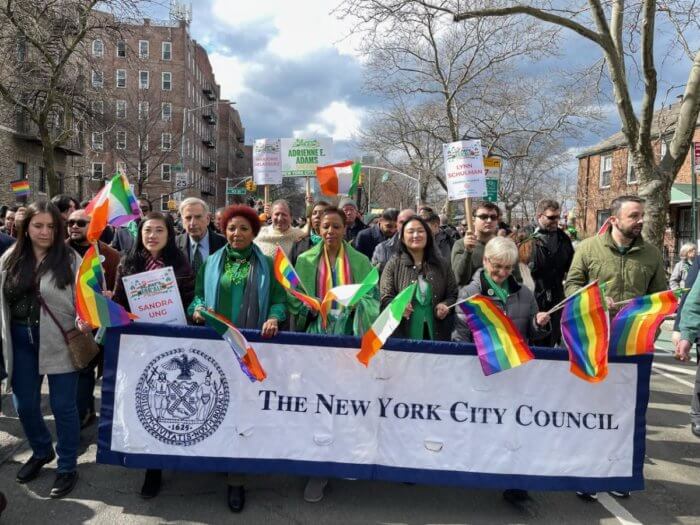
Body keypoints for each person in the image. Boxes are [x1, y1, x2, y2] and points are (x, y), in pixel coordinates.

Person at [565, 195, 666, 501]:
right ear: (614, 219)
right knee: (590, 408)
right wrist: (593, 299)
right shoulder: (588, 249)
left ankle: (618, 472)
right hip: (595, 340)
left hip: (633, 345)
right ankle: (586, 471)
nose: (640, 221)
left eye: (642, 216)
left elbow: (659, 296)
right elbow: (571, 285)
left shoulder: (651, 255)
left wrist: (652, 323)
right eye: (634, 216)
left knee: (625, 412)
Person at [189, 204, 287, 513]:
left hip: (250, 347)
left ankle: (236, 479)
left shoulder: (268, 264)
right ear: (224, 230)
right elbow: (199, 295)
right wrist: (198, 307)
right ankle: (218, 456)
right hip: (216, 347)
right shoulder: (211, 263)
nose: (237, 233)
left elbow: (279, 300)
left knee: (243, 409)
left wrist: (273, 317)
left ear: (253, 233)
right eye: (232, 228)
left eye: (244, 228)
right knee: (216, 403)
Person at [0, 200, 91, 498]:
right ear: (25, 227)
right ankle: (41, 450)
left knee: (64, 407)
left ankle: (67, 466)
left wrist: (88, 315)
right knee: (24, 405)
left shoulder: (71, 259)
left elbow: (87, 300)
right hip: (20, 340)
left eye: (51, 226)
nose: (44, 232)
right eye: (38, 225)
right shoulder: (10, 258)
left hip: (60, 339)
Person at [452, 236, 550, 505]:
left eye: (508, 268)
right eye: (497, 266)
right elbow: (460, 339)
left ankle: (514, 482)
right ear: (485, 261)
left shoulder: (525, 294)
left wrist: (540, 323)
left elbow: (533, 333)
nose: (503, 273)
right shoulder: (469, 295)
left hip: (514, 373)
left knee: (515, 429)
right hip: (482, 370)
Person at [289, 207, 379, 502]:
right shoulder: (304, 260)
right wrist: (311, 305)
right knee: (318, 403)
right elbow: (294, 297)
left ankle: (345, 456)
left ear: (345, 228)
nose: (330, 231)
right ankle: (318, 467)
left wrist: (353, 305)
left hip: (350, 339)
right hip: (316, 340)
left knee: (347, 401)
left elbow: (372, 298)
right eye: (325, 226)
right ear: (317, 227)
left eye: (336, 226)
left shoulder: (361, 261)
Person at [112, 212, 195, 500]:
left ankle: (174, 455)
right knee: (149, 404)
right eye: (147, 230)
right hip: (140, 344)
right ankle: (152, 468)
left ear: (169, 234)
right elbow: (119, 301)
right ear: (140, 233)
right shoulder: (128, 262)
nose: (152, 236)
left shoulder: (181, 264)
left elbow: (189, 299)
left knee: (172, 402)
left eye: (159, 230)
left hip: (173, 343)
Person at [66, 209, 120, 428]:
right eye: (71, 222)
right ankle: (82, 414)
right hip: (71, 323)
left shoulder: (111, 255)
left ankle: (104, 420)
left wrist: (112, 296)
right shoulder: (58, 251)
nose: (75, 226)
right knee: (81, 371)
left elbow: (120, 287)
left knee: (102, 373)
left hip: (102, 325)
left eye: (81, 222)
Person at [380, 215, 457, 341]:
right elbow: (385, 297)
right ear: (403, 238)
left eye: (421, 231)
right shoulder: (394, 264)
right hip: (402, 336)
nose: (416, 235)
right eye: (410, 232)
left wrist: (446, 305)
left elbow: (453, 294)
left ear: (428, 236)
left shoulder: (442, 264)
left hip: (437, 335)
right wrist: (398, 306)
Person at [528, 200, 575, 346]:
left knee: (552, 338)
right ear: (539, 216)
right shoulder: (526, 238)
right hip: (532, 298)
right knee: (533, 340)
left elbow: (572, 268)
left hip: (556, 297)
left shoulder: (563, 239)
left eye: (558, 217)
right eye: (551, 217)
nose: (556, 221)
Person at [451, 201, 502, 286]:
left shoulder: (504, 245)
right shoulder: (461, 245)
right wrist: (467, 252)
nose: (489, 220)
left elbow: (516, 280)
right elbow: (459, 279)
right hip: (472, 297)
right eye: (484, 217)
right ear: (473, 220)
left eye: (493, 217)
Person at [175, 198, 226, 277]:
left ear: (208, 220)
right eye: (188, 218)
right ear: (182, 221)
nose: (193, 223)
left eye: (198, 217)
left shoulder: (224, 244)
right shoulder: (174, 245)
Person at [372, 208, 415, 273]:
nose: (405, 225)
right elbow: (373, 275)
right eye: (401, 222)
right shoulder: (382, 248)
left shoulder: (426, 247)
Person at [290, 200, 330, 265]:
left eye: (322, 213)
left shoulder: (337, 244)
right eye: (314, 213)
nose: (317, 216)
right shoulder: (299, 244)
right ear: (310, 218)